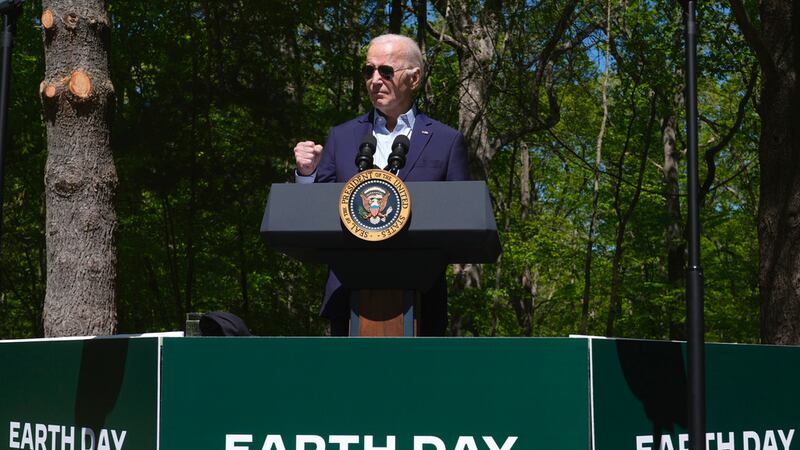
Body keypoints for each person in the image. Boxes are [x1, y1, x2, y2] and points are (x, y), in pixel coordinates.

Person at [293, 34, 469, 336]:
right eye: (368, 71)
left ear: (414, 79)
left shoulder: (445, 141)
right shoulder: (342, 136)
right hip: (348, 296)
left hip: (421, 298)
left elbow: (463, 217)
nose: (375, 80)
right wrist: (307, 174)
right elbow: (316, 214)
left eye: (386, 71)